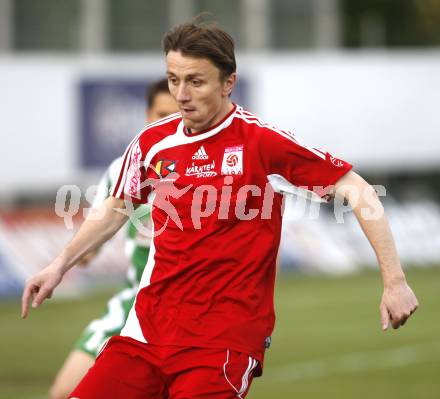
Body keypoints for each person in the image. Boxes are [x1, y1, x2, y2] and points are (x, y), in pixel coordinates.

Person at [22, 17, 418, 399]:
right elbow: (116, 205)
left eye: (195, 81)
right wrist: (60, 264)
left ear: (229, 82)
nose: (181, 94)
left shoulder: (261, 142)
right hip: (146, 332)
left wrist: (394, 281)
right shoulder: (151, 142)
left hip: (221, 342)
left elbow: (360, 192)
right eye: (174, 80)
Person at [49, 79, 179, 399]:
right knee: (63, 392)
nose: (167, 123)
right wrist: (80, 254)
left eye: (174, 116)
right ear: (147, 115)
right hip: (129, 308)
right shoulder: (124, 168)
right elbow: (99, 233)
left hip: (180, 316)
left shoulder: (199, 169)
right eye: (160, 114)